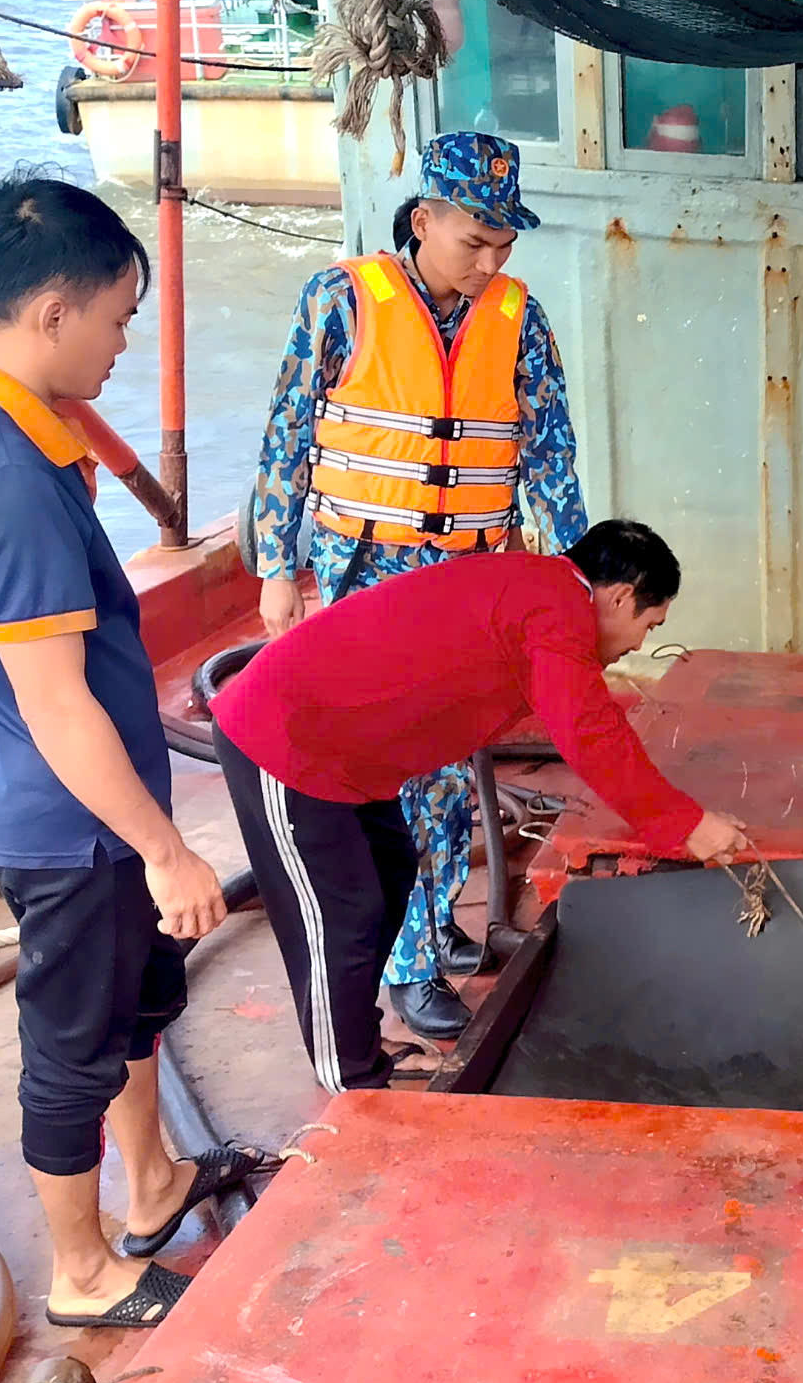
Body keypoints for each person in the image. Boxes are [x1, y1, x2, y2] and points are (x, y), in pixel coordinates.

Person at [0, 174, 270, 1332]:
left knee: (137, 1001)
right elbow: (57, 705)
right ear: (53, 310)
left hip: (71, 801)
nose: (121, 345)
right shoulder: (7, 478)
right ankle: (83, 1269)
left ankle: (153, 1182)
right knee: (72, 1044)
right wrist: (166, 850)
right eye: (116, 320)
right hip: (72, 822)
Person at [243, 129, 591, 1043]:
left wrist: (578, 577)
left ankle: (423, 936)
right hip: (365, 577)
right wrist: (277, 569)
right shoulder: (341, 300)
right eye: (474, 241)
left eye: (503, 244)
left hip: (467, 579)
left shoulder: (518, 317)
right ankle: (406, 956)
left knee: (445, 766)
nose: (490, 262)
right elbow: (286, 439)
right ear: (424, 218)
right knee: (388, 770)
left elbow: (551, 454)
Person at [210, 520, 750, 1093]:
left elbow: (584, 712)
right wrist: (686, 824)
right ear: (620, 596)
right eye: (649, 623)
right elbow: (590, 734)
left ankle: (358, 1045)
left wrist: (679, 817)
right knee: (340, 917)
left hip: (350, 758)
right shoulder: (556, 610)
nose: (640, 643)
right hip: (284, 741)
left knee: (388, 879)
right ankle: (349, 1077)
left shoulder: (545, 593)